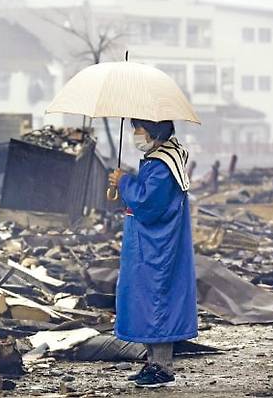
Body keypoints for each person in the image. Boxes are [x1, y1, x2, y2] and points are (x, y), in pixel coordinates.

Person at [108, 118, 197, 388]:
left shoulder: (161, 164)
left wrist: (124, 182)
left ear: (153, 132)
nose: (136, 134)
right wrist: (126, 182)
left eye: (139, 129)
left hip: (156, 246)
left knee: (155, 301)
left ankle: (161, 368)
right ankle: (153, 363)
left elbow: (148, 203)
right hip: (150, 244)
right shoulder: (161, 158)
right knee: (146, 300)